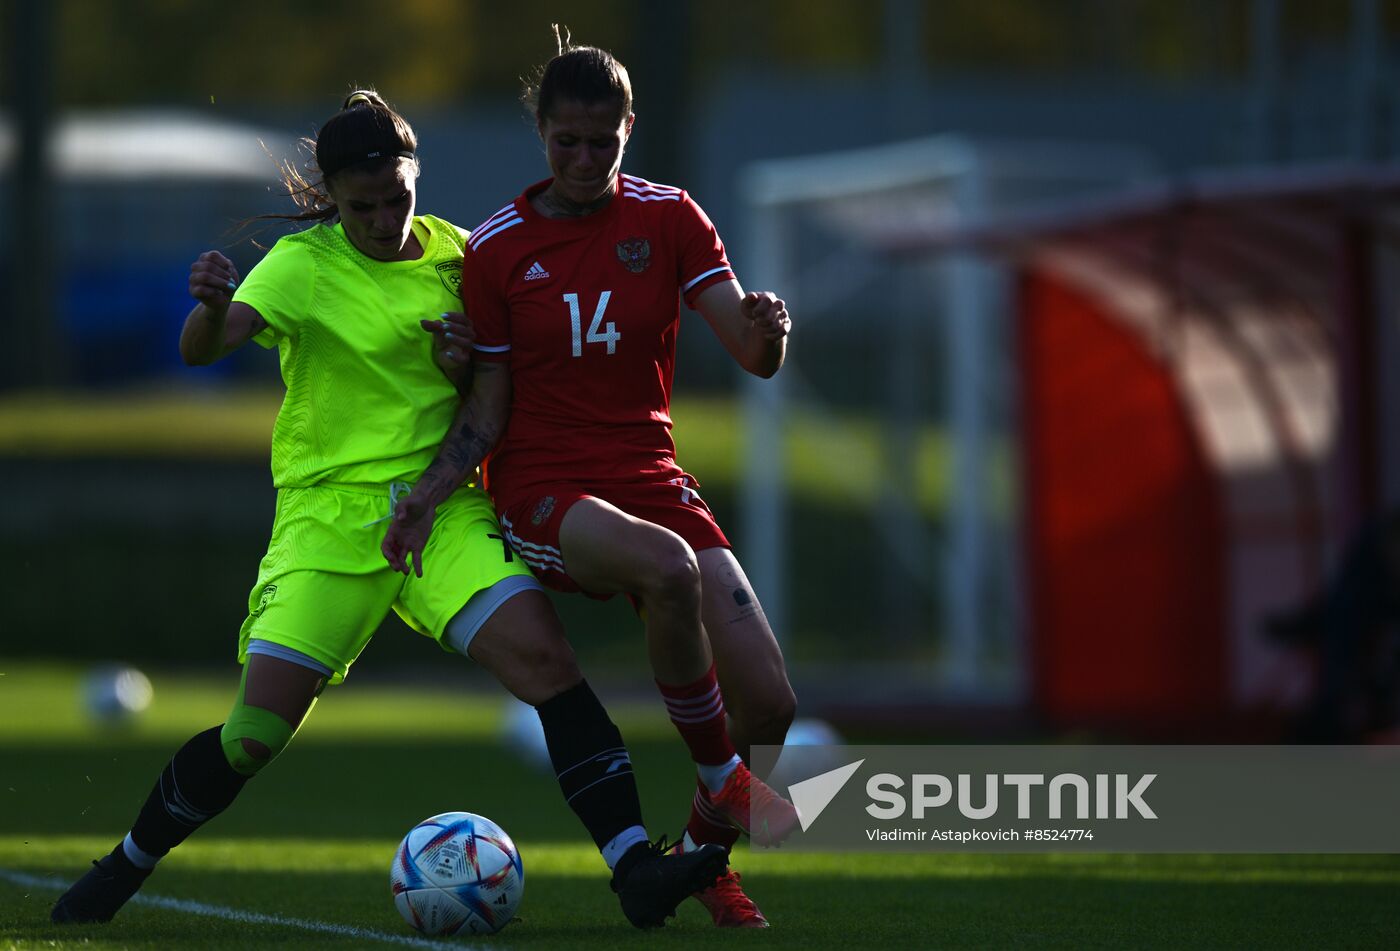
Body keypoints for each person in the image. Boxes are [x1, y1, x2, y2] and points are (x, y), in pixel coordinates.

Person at [49, 90, 726, 932]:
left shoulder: (458, 255)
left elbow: (491, 389)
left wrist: (460, 363)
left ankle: (634, 865)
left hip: (439, 511)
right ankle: (124, 865)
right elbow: (203, 348)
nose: (379, 217)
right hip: (328, 521)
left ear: (417, 177)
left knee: (548, 662)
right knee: (252, 736)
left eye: (395, 196)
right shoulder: (300, 265)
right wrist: (214, 308)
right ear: (331, 196)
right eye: (360, 204)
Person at [381, 33, 799, 928]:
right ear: (540, 133)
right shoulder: (496, 252)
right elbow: (487, 406)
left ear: (628, 131)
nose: (583, 159)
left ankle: (701, 858)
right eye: (566, 141)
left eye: (601, 143)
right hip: (543, 486)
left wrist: (770, 329)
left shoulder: (672, 219)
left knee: (771, 702)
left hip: (650, 476)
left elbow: (752, 355)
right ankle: (723, 776)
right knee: (670, 570)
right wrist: (428, 490)